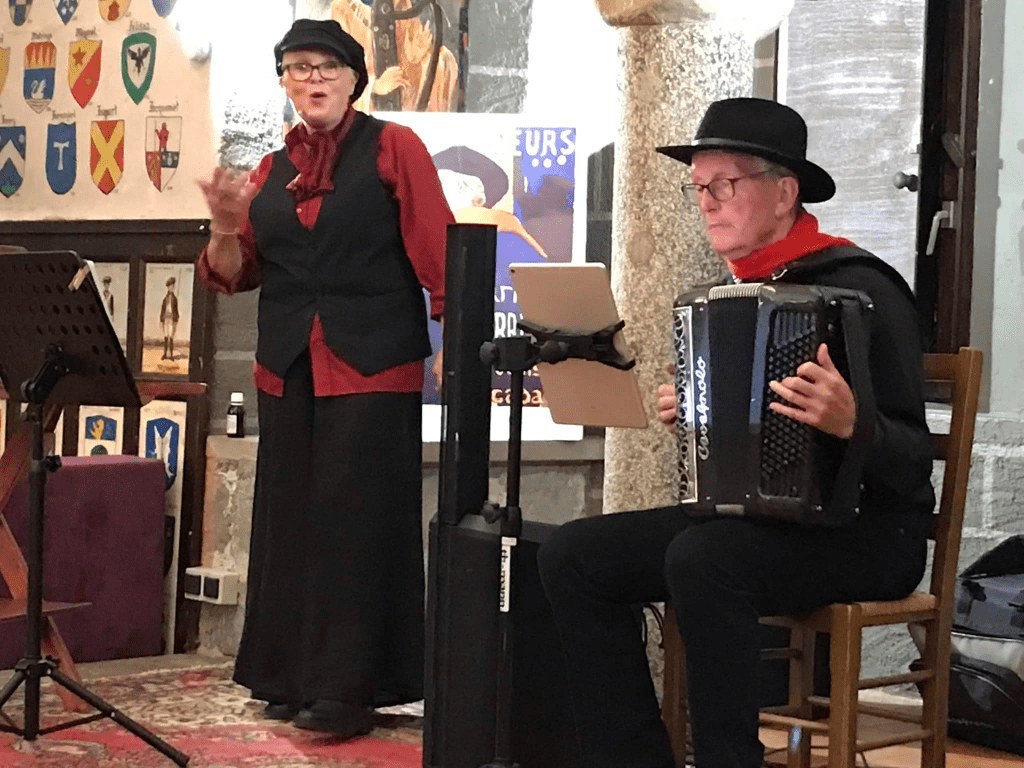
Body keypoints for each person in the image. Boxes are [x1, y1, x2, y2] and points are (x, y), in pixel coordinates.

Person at [536, 97, 935, 768]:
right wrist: (689, 414)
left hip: (868, 533)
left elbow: (914, 463)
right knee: (574, 554)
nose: (707, 201)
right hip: (760, 529)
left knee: (704, 558)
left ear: (785, 191)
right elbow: (734, 448)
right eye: (699, 187)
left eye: (724, 184)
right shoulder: (726, 295)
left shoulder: (865, 289)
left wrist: (853, 424)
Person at [195, 19, 454, 741]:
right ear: (283, 81)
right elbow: (232, 273)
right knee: (290, 523)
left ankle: (349, 688)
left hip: (374, 364)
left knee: (356, 525)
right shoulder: (271, 170)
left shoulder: (394, 147)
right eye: (297, 67)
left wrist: (455, 337)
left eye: (326, 67)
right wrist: (220, 227)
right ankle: (287, 676)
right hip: (288, 368)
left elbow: (438, 249)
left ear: (353, 77)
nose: (312, 78)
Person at [159, 277, 178, 360]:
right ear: (168, 287)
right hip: (165, 319)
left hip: (172, 319)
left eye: (173, 286)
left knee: (171, 337)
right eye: (170, 286)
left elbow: (176, 310)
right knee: (166, 336)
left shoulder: (175, 299)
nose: (172, 288)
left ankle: (171, 355)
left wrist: (176, 320)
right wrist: (161, 320)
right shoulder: (165, 299)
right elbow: (162, 310)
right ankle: (165, 354)